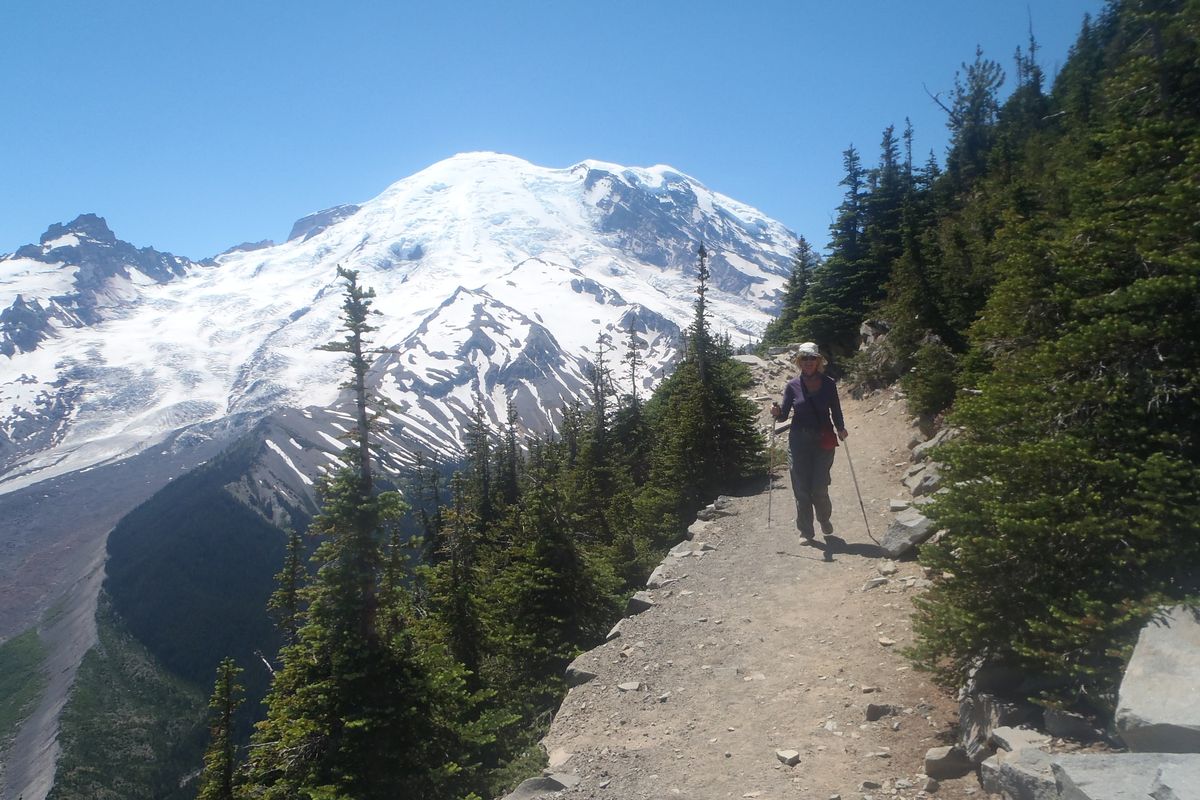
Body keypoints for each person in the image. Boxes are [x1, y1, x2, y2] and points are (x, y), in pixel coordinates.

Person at [770, 342, 848, 544]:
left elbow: (836, 410)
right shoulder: (792, 386)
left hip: (823, 440)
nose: (808, 362)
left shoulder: (829, 384)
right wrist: (777, 413)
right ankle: (806, 531)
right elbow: (783, 416)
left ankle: (824, 519)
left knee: (819, 487)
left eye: (812, 358)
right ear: (799, 361)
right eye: (804, 358)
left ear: (818, 361)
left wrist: (840, 427)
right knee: (801, 489)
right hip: (798, 441)